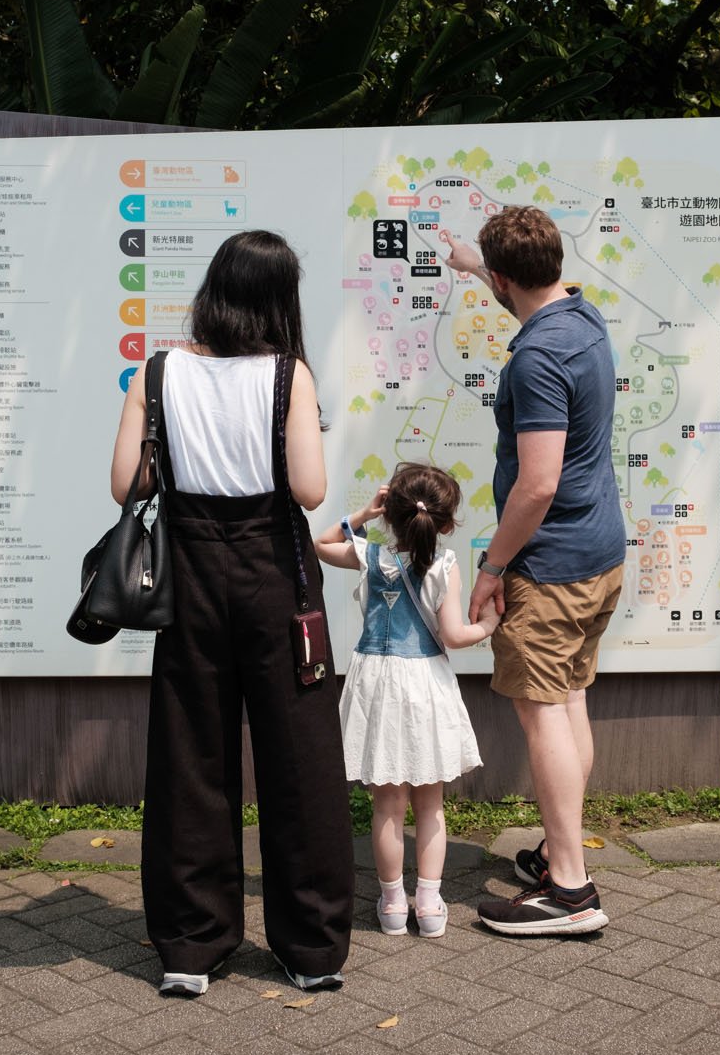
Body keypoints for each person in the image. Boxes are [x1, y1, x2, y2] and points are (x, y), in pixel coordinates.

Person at [108, 229, 353, 996]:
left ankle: (190, 944)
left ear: (214, 292)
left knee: (190, 753)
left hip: (187, 571)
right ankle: (310, 949)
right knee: (300, 756)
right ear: (279, 299)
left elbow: (126, 486)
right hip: (273, 572)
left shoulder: (158, 372)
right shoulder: (290, 375)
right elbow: (309, 491)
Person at [439, 206, 626, 936]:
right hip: (597, 555)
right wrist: (467, 263)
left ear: (505, 278)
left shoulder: (539, 357)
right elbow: (520, 288)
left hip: (550, 565)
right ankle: (559, 853)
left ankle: (571, 891)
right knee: (569, 698)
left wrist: (492, 565)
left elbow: (538, 483)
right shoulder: (584, 319)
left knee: (544, 712)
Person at [313, 463, 495, 938]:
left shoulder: (370, 556)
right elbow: (454, 636)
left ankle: (393, 905)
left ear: (389, 514)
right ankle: (430, 905)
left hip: (375, 682)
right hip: (424, 687)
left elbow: (320, 543)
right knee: (430, 806)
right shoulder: (446, 564)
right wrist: (489, 627)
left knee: (387, 806)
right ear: (446, 522)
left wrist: (363, 513)